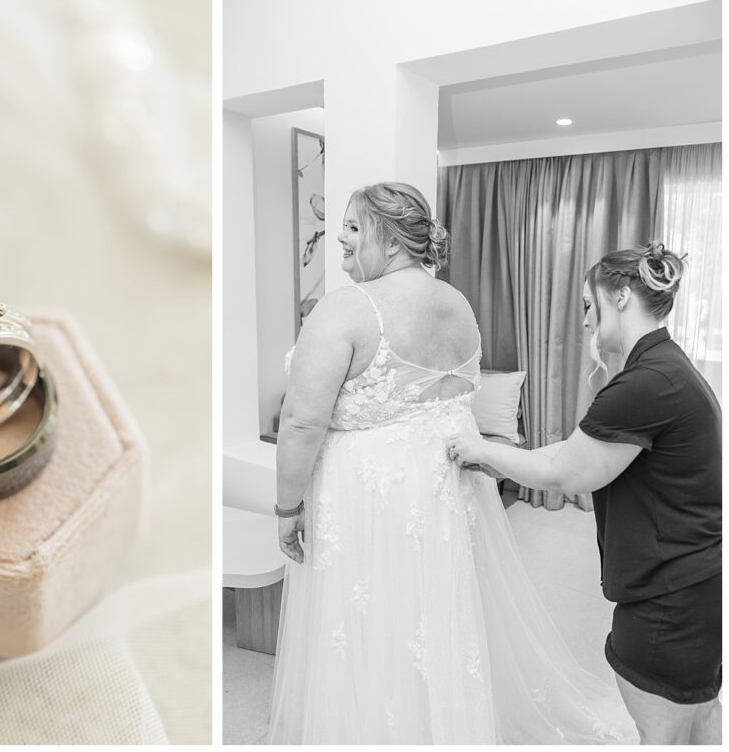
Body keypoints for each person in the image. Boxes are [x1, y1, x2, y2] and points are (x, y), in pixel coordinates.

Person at [268, 181, 638, 744]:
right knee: (433, 612)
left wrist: (286, 506)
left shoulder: (347, 307)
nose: (340, 237)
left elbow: (300, 421)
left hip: (374, 495)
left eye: (352, 226)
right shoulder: (457, 303)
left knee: (375, 619)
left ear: (390, 240)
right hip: (444, 487)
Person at [447, 243, 721, 744]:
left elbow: (565, 476)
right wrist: (490, 455)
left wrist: (475, 447)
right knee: (700, 720)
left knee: (663, 733)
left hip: (669, 595)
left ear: (620, 296)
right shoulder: (665, 367)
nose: (585, 322)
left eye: (588, 305)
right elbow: (575, 450)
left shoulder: (646, 384)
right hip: (693, 582)